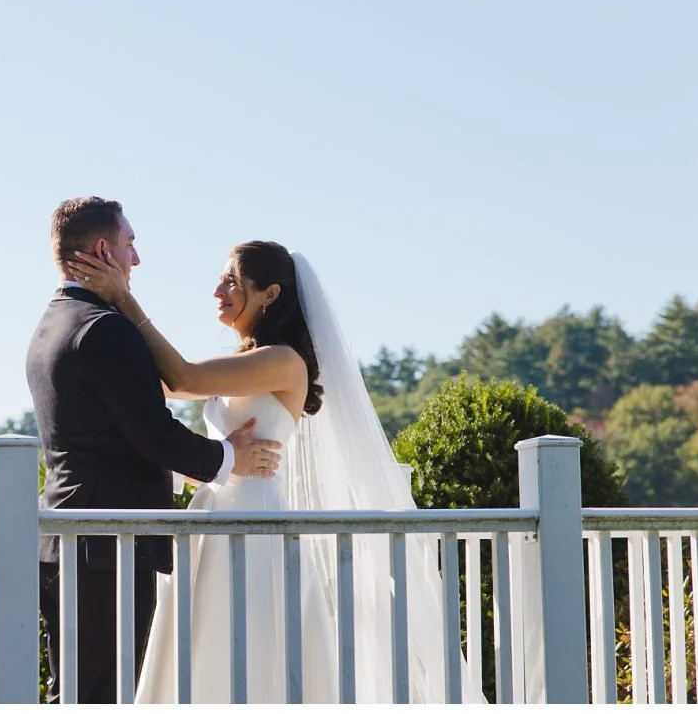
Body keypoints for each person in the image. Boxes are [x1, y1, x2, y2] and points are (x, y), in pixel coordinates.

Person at [68, 240, 488, 704]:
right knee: (202, 650)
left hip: (254, 527)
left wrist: (123, 298)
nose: (217, 290)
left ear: (269, 294)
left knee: (247, 650)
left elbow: (180, 379)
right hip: (214, 522)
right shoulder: (249, 359)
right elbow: (169, 385)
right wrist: (211, 462)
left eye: (231, 281)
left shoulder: (282, 361)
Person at [26, 197, 283, 705]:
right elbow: (152, 433)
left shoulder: (51, 323)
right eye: (130, 244)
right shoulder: (104, 328)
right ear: (104, 249)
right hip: (107, 545)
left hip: (68, 537)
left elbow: (112, 438)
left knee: (76, 690)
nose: (136, 258)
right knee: (106, 693)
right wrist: (229, 459)